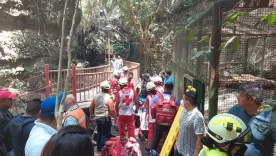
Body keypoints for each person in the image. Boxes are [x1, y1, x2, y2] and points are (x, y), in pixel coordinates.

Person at [228, 82, 276, 155]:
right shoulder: (235, 110)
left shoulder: (271, 117)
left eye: (241, 96)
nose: (237, 97)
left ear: (251, 100)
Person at [175, 86, 205, 156]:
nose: (181, 101)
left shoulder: (198, 117)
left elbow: (199, 140)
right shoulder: (184, 110)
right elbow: (181, 126)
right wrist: (177, 142)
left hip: (188, 154)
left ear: (187, 102)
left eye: (183, 99)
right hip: (179, 150)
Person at [150, 82, 180, 151]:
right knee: (170, 143)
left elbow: (152, 106)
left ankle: (152, 152)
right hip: (170, 125)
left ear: (164, 88)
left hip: (159, 123)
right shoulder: (175, 100)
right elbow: (179, 112)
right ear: (172, 89)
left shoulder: (157, 97)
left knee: (155, 141)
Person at [89, 80, 117, 152]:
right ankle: (103, 150)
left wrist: (91, 114)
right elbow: (112, 110)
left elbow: (91, 106)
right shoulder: (109, 97)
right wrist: (115, 118)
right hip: (105, 118)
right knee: (105, 135)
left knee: (99, 133)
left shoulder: (96, 96)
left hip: (97, 118)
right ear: (108, 88)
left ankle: (98, 148)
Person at [115, 78, 138, 143]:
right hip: (130, 113)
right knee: (131, 128)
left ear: (120, 85)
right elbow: (136, 101)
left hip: (121, 114)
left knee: (121, 129)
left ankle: (123, 144)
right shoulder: (133, 91)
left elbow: (117, 104)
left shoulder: (119, 93)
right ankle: (131, 143)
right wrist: (136, 109)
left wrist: (116, 111)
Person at [0, 90, 16, 156]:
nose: (12, 101)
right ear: (2, 101)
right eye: (10, 99)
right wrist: (5, 153)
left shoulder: (6, 110)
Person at [144, 82, 158, 150]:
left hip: (151, 118)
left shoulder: (148, 97)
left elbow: (147, 108)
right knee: (157, 132)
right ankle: (157, 146)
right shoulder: (158, 96)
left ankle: (150, 147)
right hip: (158, 118)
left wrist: (145, 117)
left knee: (151, 132)